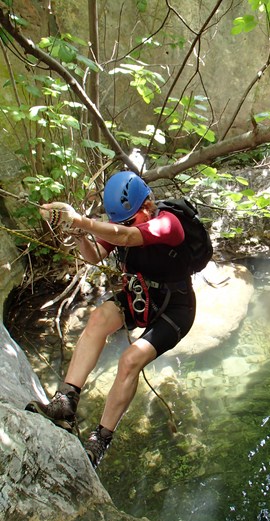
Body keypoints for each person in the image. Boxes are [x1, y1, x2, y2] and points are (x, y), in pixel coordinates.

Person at [26, 171, 196, 468]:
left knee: (130, 359)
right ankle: (66, 401)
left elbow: (129, 237)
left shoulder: (169, 223)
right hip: (140, 298)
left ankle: (101, 439)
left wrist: (80, 220)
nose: (125, 226)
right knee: (99, 317)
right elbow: (93, 256)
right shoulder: (123, 225)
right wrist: (77, 233)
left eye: (129, 219)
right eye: (121, 221)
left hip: (176, 308)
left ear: (147, 205)